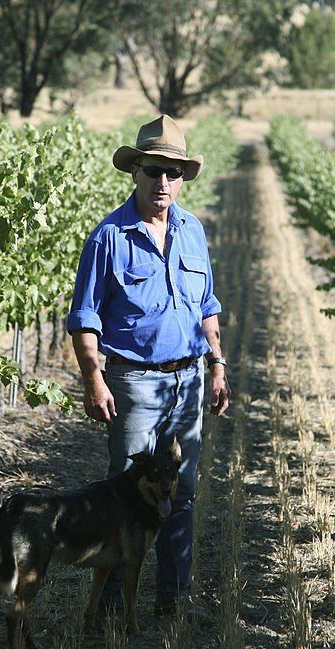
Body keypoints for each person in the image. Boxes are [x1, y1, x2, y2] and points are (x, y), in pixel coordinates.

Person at [67, 114, 231, 616]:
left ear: (183, 179)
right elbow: (83, 318)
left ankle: (172, 598)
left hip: (189, 381)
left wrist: (218, 365)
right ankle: (114, 603)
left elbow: (207, 305)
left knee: (180, 493)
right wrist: (94, 379)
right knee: (127, 496)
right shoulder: (108, 237)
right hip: (134, 382)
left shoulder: (193, 231)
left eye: (173, 173)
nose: (163, 182)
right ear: (134, 171)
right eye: (154, 170)